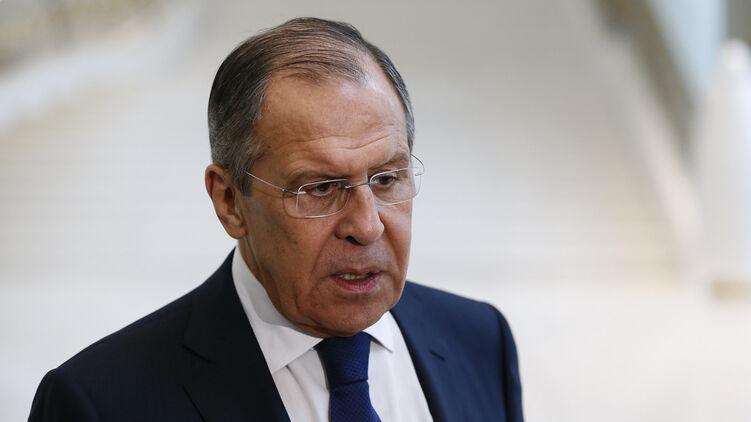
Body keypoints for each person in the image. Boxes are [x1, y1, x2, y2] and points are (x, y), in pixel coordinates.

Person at [29, 17, 523, 422]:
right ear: (229, 201)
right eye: (320, 188)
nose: (367, 226)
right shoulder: (100, 403)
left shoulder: (481, 340)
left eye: (387, 179)